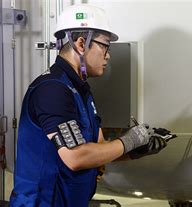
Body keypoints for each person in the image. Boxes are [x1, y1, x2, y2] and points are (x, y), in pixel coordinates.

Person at [9, 4, 166, 207]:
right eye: (105, 46)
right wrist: (128, 141)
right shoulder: (53, 90)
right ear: (82, 44)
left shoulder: (80, 89)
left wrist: (137, 149)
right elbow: (76, 157)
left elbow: (97, 149)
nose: (108, 55)